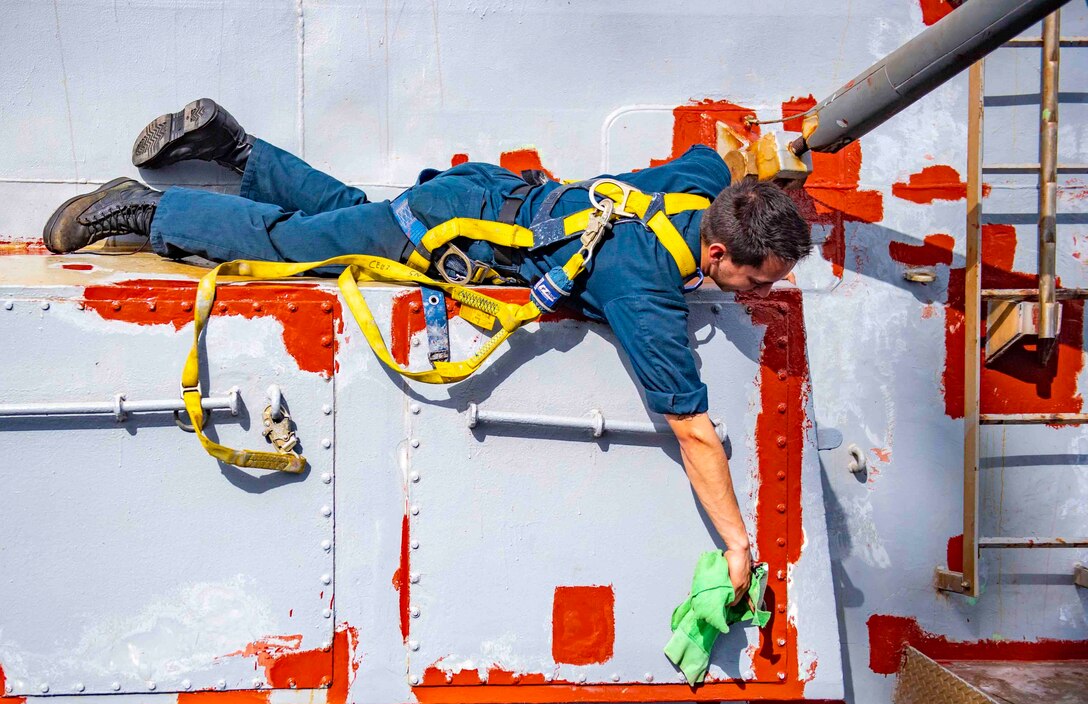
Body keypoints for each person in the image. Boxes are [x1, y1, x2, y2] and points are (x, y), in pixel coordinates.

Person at [43, 98, 812, 596]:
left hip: (487, 193)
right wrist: (738, 542)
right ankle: (143, 211)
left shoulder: (706, 184)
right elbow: (690, 428)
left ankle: (239, 150)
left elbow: (723, 161)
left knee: (351, 221)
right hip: (451, 225)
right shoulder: (642, 285)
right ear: (715, 255)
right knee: (298, 250)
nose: (756, 294)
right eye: (754, 279)